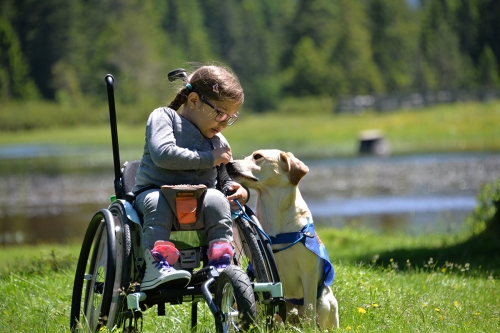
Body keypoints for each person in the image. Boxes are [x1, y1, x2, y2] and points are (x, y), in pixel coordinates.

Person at [132, 65, 249, 291]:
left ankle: (221, 261)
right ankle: (156, 265)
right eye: (220, 113)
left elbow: (223, 178)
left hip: (198, 204)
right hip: (152, 196)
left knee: (216, 199)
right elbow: (163, 154)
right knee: (157, 202)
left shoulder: (218, 140)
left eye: (230, 117)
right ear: (193, 101)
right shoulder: (163, 118)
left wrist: (236, 189)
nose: (224, 123)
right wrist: (209, 158)